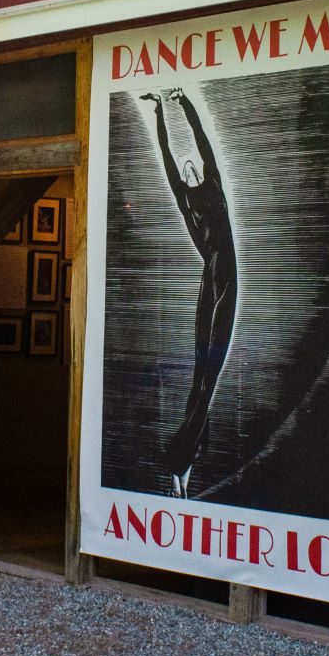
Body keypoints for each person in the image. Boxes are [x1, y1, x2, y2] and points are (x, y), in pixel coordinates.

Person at [139, 87, 238, 498]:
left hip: (226, 280)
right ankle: (186, 461)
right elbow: (166, 154)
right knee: (201, 377)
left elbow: (202, 141)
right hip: (208, 279)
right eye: (187, 169)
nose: (191, 167)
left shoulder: (212, 180)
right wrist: (160, 111)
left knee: (208, 378)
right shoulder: (185, 198)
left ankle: (180, 459)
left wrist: (184, 104)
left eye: (194, 166)